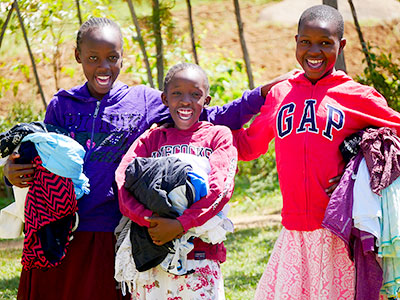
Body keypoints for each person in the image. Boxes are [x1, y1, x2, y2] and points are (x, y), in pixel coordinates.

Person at [3, 17, 292, 300]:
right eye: (93, 57)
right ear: (78, 56)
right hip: (65, 230)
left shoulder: (143, 101)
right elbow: (42, 154)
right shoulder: (62, 105)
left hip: (114, 230)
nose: (103, 67)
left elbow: (209, 115)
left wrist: (261, 94)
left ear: (122, 58)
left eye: (112, 57)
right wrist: (11, 171)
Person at [233, 5, 400, 299]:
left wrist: (358, 172)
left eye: (325, 43)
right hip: (293, 230)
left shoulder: (357, 96)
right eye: (306, 42)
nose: (315, 51)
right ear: (296, 41)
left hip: (340, 230)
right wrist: (202, 131)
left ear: (341, 45)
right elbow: (248, 145)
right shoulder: (280, 93)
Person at [115, 62, 236, 299]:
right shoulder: (152, 138)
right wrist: (150, 220)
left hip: (200, 258)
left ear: (207, 100)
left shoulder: (217, 136)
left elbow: (220, 189)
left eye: (195, 94)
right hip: (154, 256)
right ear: (165, 98)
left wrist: (181, 224)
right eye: (177, 93)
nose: (185, 101)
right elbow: (122, 181)